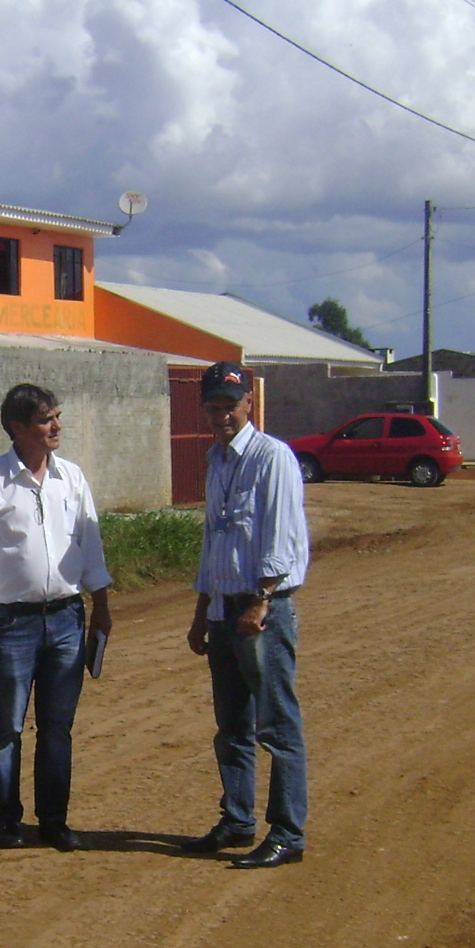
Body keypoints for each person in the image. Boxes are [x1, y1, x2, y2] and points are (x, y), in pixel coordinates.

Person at [0, 383, 112, 850]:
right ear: (18, 428)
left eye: (57, 416)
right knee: (7, 724)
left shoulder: (73, 479)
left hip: (66, 619)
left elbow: (91, 548)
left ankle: (54, 821)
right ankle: (5, 818)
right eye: (46, 420)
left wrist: (100, 605)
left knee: (57, 726)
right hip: (10, 624)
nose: (56, 426)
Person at [182, 362, 310, 868]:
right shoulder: (216, 460)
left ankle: (287, 832)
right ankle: (237, 819)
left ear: (249, 403)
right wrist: (202, 610)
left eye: (230, 406)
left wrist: (261, 601)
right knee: (231, 726)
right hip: (223, 609)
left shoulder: (272, 457)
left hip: (262, 611)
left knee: (277, 726)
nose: (222, 415)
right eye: (213, 406)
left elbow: (280, 536)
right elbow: (214, 540)